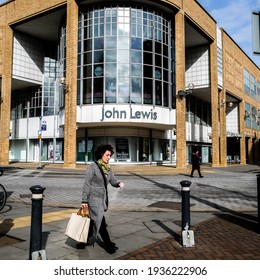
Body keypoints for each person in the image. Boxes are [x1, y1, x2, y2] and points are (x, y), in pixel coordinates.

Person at [81, 144, 124, 254]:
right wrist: (84, 200)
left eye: (110, 155)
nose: (109, 157)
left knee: (92, 221)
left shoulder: (108, 168)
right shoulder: (92, 167)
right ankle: (108, 245)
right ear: (101, 154)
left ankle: (83, 241)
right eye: (107, 155)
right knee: (100, 220)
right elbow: (87, 184)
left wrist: (118, 183)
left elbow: (112, 180)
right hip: (93, 199)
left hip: (102, 199)